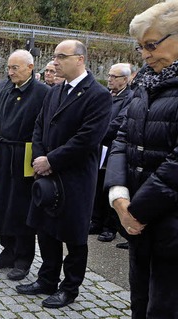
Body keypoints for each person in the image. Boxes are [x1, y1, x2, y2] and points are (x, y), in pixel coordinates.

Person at [16, 40, 111, 309]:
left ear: (80, 59)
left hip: (74, 178)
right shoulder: (55, 91)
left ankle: (69, 288)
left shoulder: (97, 95)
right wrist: (39, 157)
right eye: (54, 57)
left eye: (61, 57)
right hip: (46, 174)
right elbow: (39, 126)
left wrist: (51, 160)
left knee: (73, 234)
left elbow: (88, 139)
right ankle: (47, 279)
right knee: (46, 229)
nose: (55, 62)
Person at [104, 2, 178, 316]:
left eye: (151, 45)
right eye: (140, 47)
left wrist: (137, 211)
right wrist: (118, 195)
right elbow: (123, 136)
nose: (145, 55)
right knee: (141, 302)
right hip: (139, 220)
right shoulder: (146, 82)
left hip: (168, 223)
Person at [0, 50, 49, 281]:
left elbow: (43, 129)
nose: (10, 72)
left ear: (30, 67)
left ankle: (23, 259)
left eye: (15, 68)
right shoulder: (4, 88)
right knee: (3, 204)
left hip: (25, 155)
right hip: (4, 154)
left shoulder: (42, 92)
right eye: (9, 67)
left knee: (21, 208)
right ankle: (7, 252)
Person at [90, 63, 134, 244]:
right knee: (97, 185)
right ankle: (96, 221)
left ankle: (110, 227)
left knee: (110, 186)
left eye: (114, 76)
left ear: (125, 79)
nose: (109, 79)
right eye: (109, 75)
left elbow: (119, 122)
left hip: (113, 148)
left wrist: (97, 132)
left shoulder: (130, 98)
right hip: (100, 147)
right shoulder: (107, 95)